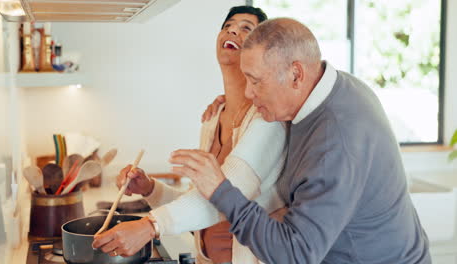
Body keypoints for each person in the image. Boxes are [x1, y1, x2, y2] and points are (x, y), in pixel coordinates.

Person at [169, 18, 431, 264]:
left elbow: (295, 255)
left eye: (255, 81)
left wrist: (220, 190)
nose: (249, 92)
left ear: (296, 74)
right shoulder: (329, 88)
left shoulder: (335, 140)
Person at [92, 6, 288, 264]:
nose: (232, 30)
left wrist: (150, 226)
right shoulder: (213, 117)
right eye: (228, 25)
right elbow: (201, 200)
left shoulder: (267, 120)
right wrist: (150, 188)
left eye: (245, 28)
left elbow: (225, 197)